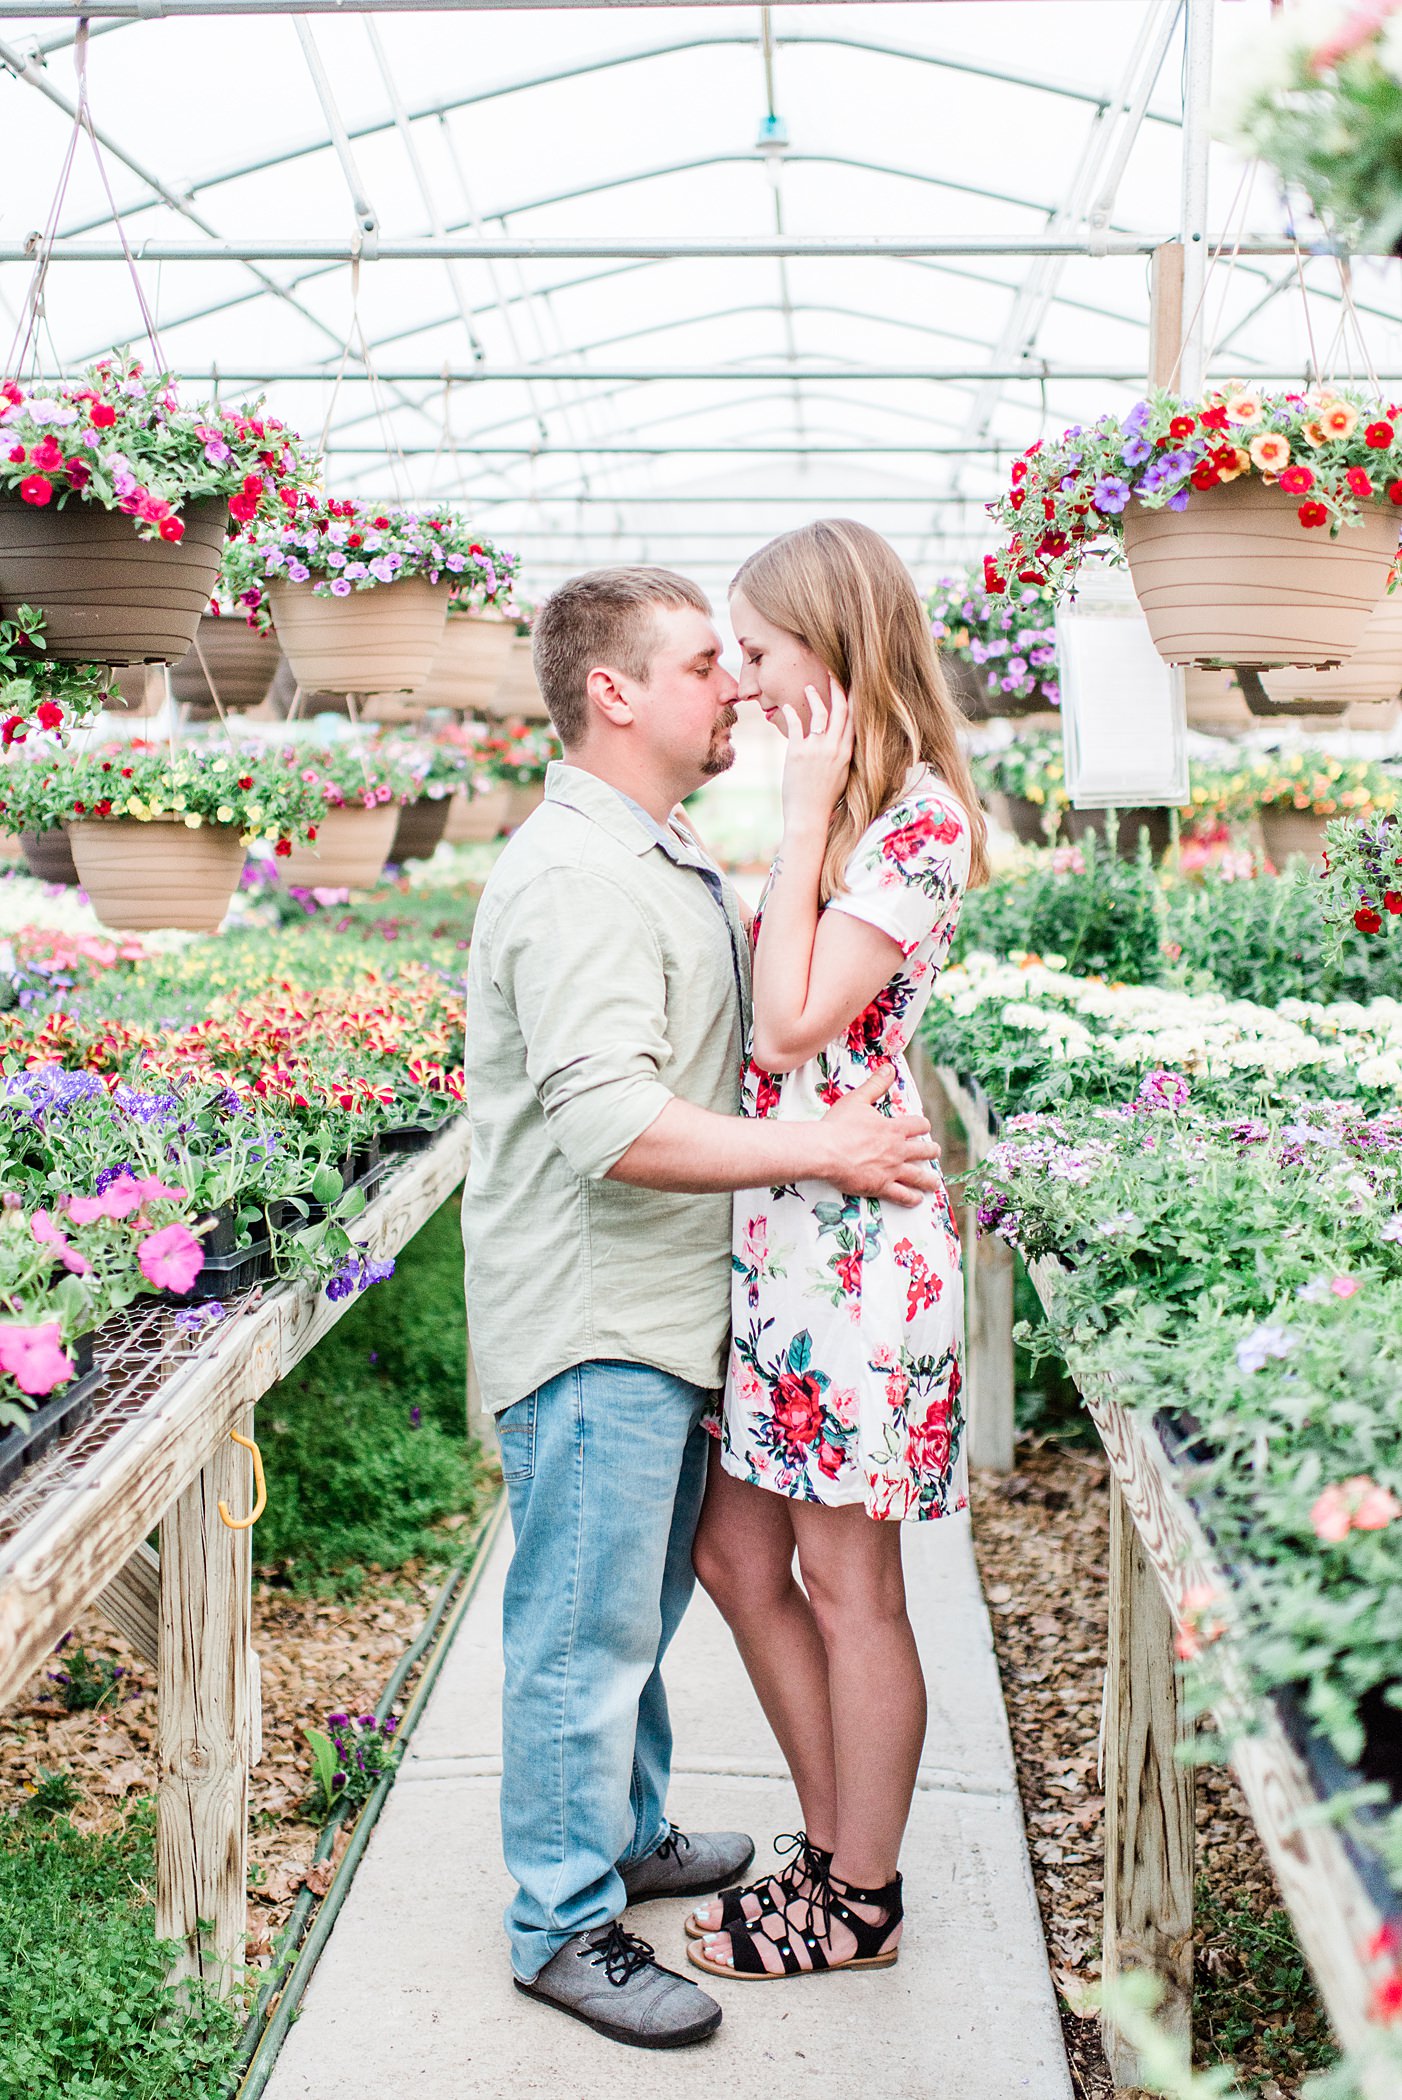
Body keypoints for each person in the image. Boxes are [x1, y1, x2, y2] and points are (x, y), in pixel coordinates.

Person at [462, 565, 943, 2049]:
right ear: (613, 694)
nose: (731, 684)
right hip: (601, 1317)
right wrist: (825, 1144)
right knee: (580, 1637)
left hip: (684, 1311)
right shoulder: (577, 875)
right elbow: (613, 1122)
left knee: (639, 1609)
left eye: (742, 656)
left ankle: (625, 1830)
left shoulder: (649, 849)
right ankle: (562, 1921)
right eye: (699, 665)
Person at [686, 519, 989, 1984]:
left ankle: (856, 1893)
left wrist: (802, 813)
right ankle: (832, 1847)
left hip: (858, 1259)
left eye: (755, 649)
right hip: (792, 1238)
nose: (736, 681)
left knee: (848, 1582)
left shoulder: (916, 822)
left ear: (834, 644)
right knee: (738, 1550)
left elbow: (792, 1022)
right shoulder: (863, 811)